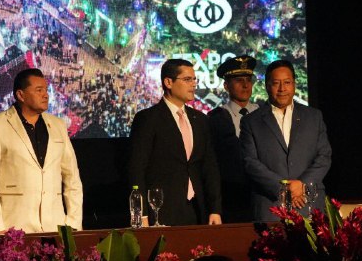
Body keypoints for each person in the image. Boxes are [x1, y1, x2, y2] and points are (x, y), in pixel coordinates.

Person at [0, 67, 83, 233]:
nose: (45, 95)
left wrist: (73, 224)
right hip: (14, 228)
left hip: (56, 228)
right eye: (39, 90)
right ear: (21, 95)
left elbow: (72, 178)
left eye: (46, 90)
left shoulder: (58, 125)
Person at [128, 59, 222, 226]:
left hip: (198, 210)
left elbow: (210, 167)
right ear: (168, 82)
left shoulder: (200, 120)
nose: (193, 84)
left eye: (194, 79)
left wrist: (215, 209)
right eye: (187, 79)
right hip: (161, 211)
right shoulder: (148, 119)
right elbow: (137, 169)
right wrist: (141, 215)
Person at [240, 59, 332, 222]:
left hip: (309, 203)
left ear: (294, 84)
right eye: (276, 83)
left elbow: (324, 156)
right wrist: (283, 188)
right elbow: (250, 162)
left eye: (287, 82)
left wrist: (302, 184)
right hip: (271, 205)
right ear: (267, 86)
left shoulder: (314, 117)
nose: (282, 89)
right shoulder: (251, 121)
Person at [208, 55, 260, 223]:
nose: (245, 85)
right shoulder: (216, 118)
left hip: (263, 196)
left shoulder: (265, 114)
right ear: (226, 86)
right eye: (239, 80)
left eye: (248, 80)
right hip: (232, 201)